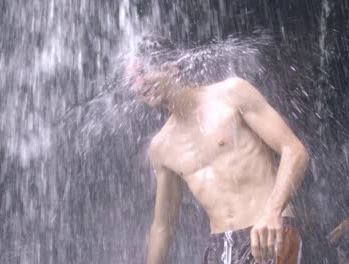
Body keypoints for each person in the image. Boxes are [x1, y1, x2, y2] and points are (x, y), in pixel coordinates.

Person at [124, 36, 309, 264]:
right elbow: (163, 226)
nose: (138, 84)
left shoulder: (231, 95)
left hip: (268, 232)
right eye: (131, 79)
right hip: (220, 248)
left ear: (171, 66)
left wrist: (272, 213)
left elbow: (294, 151)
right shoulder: (161, 147)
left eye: (143, 71)